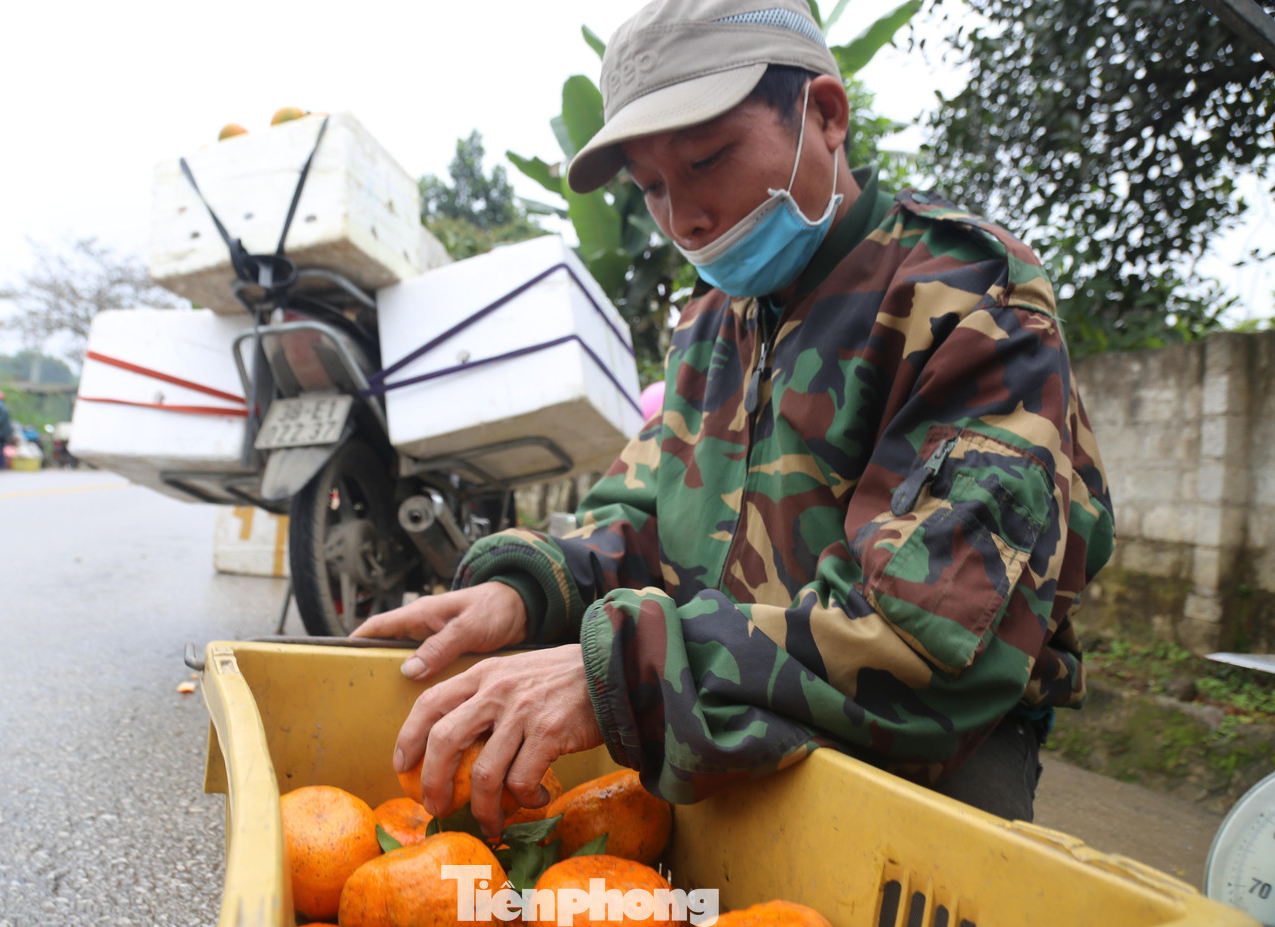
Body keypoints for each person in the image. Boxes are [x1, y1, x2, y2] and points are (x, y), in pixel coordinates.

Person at [353, 0, 1115, 835]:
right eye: (651, 187)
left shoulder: (967, 300)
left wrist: (622, 672)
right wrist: (528, 589)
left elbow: (923, 642)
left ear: (825, 115)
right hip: (718, 717)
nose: (684, 218)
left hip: (922, 752)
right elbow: (641, 515)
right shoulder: (713, 320)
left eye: (707, 159)